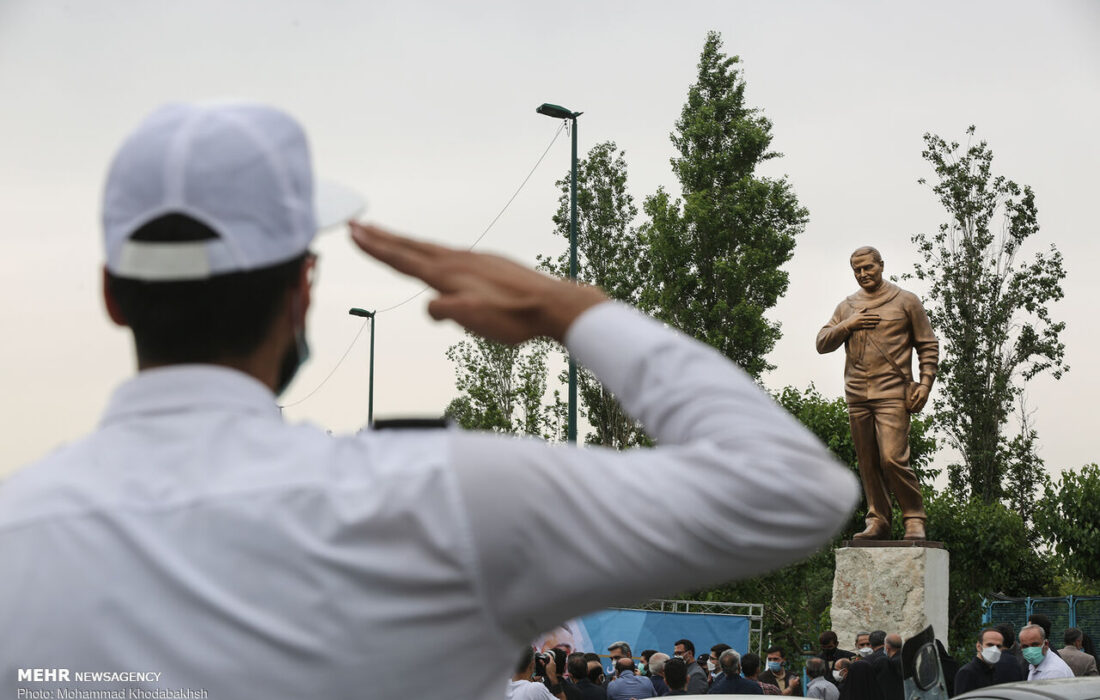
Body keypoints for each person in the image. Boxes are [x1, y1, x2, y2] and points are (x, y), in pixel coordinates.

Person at [0, 101, 859, 700]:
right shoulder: (435, 498)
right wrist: (572, 309)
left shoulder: (18, 531)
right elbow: (794, 489)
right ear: (302, 291)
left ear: (113, 293)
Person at [816, 246, 939, 540]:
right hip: (857, 394)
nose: (863, 274)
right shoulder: (847, 307)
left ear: (881, 265)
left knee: (892, 458)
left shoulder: (906, 301)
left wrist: (925, 383)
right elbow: (822, 343)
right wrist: (849, 324)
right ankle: (878, 519)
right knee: (868, 461)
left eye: (868, 268)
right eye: (857, 270)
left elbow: (927, 345)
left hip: (893, 393)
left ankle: (914, 517)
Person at [955, 628, 1024, 695]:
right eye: (990, 645)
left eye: (998, 646)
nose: (994, 649)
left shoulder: (993, 670)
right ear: (978, 646)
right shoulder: (967, 672)